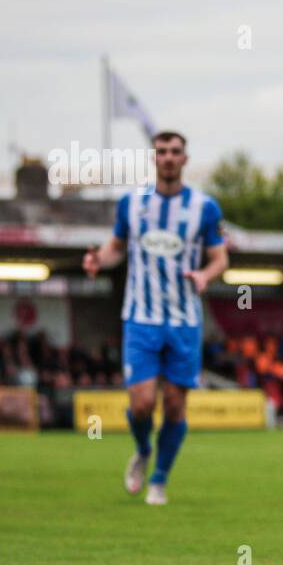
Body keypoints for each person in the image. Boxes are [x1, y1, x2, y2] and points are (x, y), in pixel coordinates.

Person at [83, 130, 228, 506]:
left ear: (185, 159)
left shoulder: (204, 207)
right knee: (143, 403)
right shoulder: (131, 203)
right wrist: (99, 259)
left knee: (176, 405)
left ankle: (160, 479)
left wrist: (204, 276)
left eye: (175, 151)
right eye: (161, 151)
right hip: (140, 317)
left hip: (184, 321)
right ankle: (143, 450)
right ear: (153, 157)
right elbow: (116, 248)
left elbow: (219, 258)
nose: (167, 157)